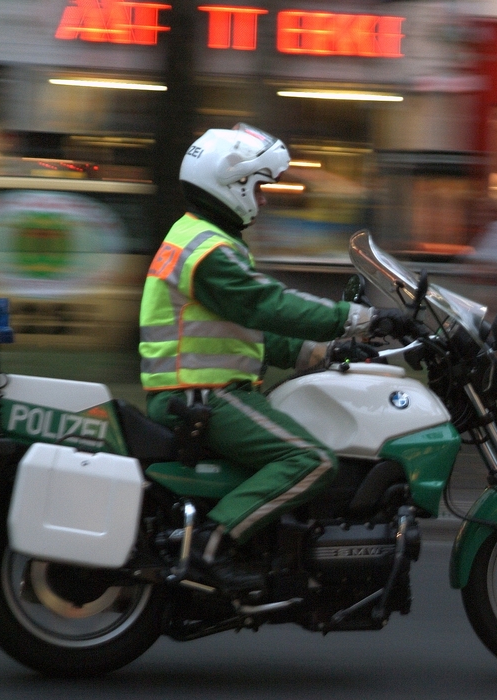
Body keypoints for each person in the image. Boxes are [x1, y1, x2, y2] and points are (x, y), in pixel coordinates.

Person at [140, 123, 415, 592]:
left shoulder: (200, 239)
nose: (263, 201)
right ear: (232, 185)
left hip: (202, 392)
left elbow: (253, 333)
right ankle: (212, 544)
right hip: (204, 397)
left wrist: (328, 351)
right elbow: (266, 305)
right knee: (311, 461)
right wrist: (360, 318)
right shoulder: (208, 253)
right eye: (259, 188)